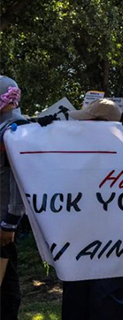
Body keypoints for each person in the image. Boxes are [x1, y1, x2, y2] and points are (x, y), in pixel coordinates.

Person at [54, 99, 123, 320]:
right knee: (77, 303)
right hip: (80, 244)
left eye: (87, 121)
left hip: (115, 247)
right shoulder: (78, 150)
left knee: (108, 305)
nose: (80, 126)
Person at [0, 75, 29, 320]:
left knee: (6, 287)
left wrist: (9, 221)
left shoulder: (16, 128)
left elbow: (19, 178)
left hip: (2, 223)